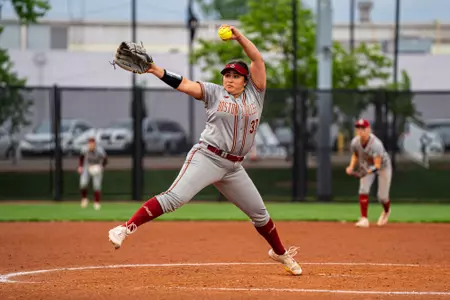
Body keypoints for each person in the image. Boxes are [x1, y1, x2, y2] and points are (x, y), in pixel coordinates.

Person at [108, 25, 302, 276]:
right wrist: (156, 70)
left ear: (246, 80)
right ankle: (125, 228)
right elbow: (185, 84)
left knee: (260, 215)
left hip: (233, 167)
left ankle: (280, 253)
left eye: (235, 75)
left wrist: (240, 37)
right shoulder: (213, 92)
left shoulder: (256, 94)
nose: (229, 78)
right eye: (227, 74)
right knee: (174, 198)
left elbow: (257, 59)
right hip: (207, 157)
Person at [346, 119, 392, 228]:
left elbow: (377, 165)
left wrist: (366, 172)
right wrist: (351, 166)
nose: (360, 131)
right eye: (358, 128)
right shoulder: (355, 142)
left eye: (363, 128)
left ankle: (386, 211)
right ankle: (364, 219)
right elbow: (356, 155)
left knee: (382, 197)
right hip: (367, 165)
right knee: (363, 190)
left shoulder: (376, 144)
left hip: (383, 167)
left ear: (369, 129)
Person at [78, 137, 108, 210]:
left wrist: (102, 166)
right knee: (83, 183)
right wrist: (80, 166)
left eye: (92, 143)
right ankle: (84, 199)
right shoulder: (84, 148)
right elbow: (81, 157)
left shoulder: (100, 150)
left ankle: (97, 202)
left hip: (97, 167)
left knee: (97, 185)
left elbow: (105, 159)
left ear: (95, 144)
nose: (91, 145)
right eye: (90, 143)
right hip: (87, 166)